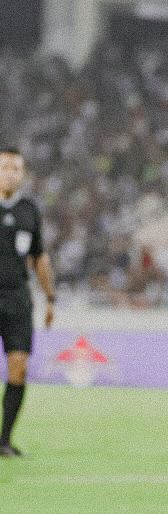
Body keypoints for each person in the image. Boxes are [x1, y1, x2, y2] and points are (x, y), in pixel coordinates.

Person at [0, 147, 55, 457]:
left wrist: (50, 297)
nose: (11, 173)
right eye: (6, 167)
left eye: (17, 168)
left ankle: (4, 440)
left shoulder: (29, 210)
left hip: (18, 299)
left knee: (18, 368)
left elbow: (39, 257)